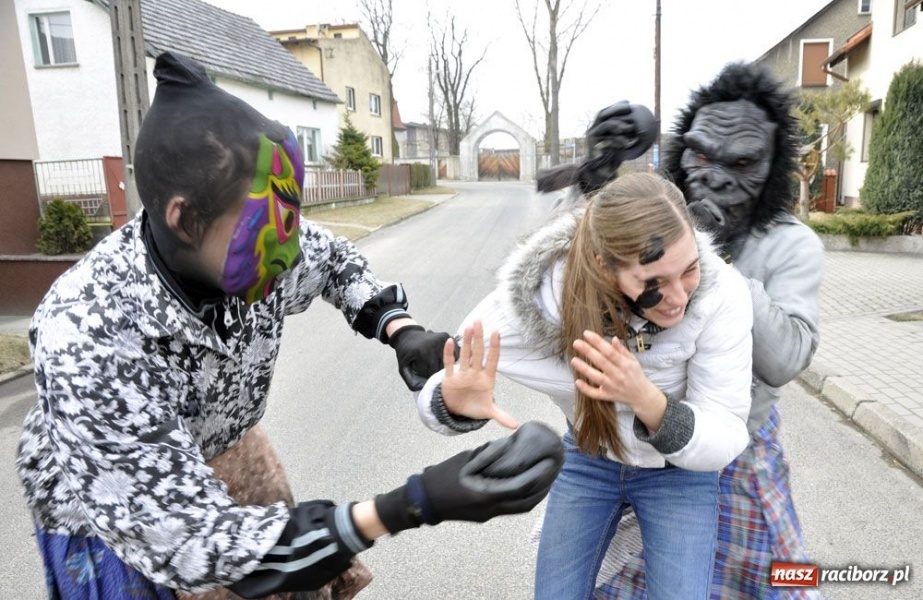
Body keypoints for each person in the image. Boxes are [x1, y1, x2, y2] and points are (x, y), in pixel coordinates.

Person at [15, 51, 564, 600]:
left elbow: (333, 263)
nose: (288, 251)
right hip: (114, 514)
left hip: (231, 443)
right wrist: (415, 503)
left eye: (292, 218)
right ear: (184, 219)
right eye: (267, 229)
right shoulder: (90, 331)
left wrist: (399, 329)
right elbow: (193, 545)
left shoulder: (261, 242)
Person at [414, 172, 755, 599]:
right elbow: (436, 388)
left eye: (689, 270)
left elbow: (725, 431)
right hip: (589, 454)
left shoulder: (721, 294)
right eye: (654, 283)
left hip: (679, 473)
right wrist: (452, 402)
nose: (680, 296)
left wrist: (645, 399)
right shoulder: (539, 299)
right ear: (603, 267)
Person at [578, 63, 824, 599]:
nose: (712, 176)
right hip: (640, 438)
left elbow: (785, 360)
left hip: (735, 450)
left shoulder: (791, 245)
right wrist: (597, 177)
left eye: (741, 162)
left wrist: (705, 250)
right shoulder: (660, 218)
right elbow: (582, 278)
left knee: (775, 585)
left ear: (772, 167)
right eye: (701, 154)